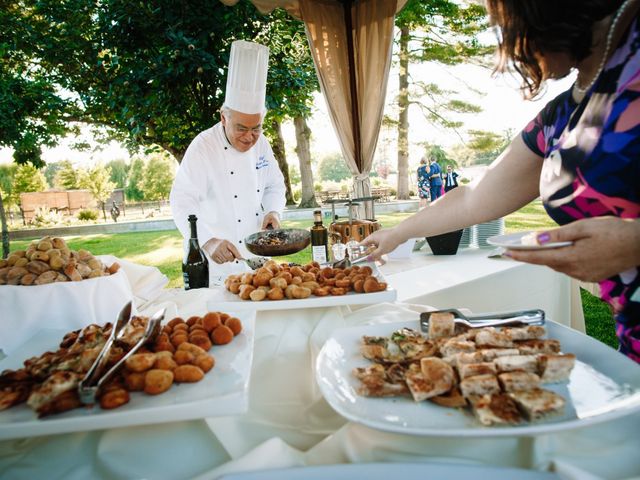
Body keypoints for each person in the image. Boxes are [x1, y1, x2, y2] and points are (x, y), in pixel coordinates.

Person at [362, 0, 640, 362]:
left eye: (504, 23)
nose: (508, 48)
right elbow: (474, 196)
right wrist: (398, 233)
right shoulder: (561, 113)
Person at [170, 40, 286, 284]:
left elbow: (275, 185)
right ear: (224, 117)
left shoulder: (261, 143)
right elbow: (182, 201)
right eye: (241, 128)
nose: (249, 137)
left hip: (256, 260)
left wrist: (273, 211)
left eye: (256, 128)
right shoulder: (203, 147)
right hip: (213, 267)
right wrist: (208, 241)